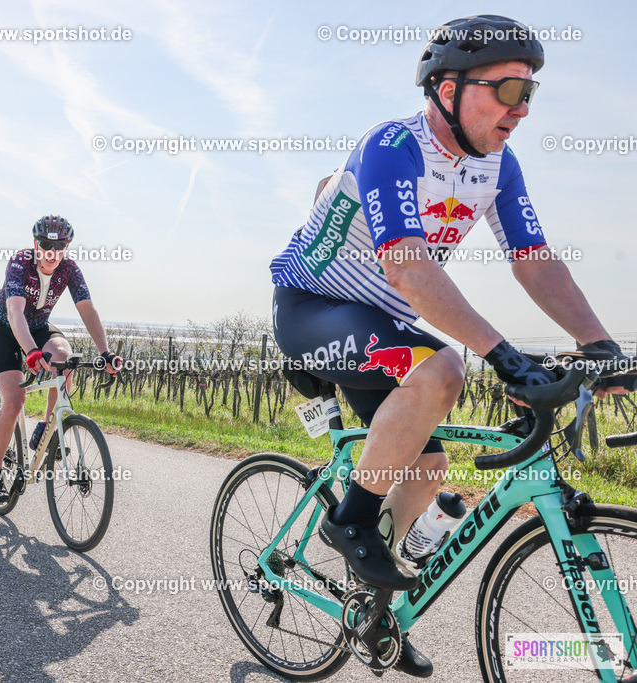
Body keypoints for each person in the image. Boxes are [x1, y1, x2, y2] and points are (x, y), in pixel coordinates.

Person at [269, 15, 635, 677]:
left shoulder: (498, 164)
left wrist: (602, 344)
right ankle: (348, 519)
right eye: (507, 90)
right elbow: (407, 266)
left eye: (531, 92)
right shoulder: (393, 146)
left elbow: (534, 261)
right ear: (444, 87)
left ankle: (372, 607)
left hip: (378, 329)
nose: (521, 109)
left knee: (429, 465)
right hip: (312, 309)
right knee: (445, 367)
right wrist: (505, 356)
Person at [0, 215, 121, 503]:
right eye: (46, 244)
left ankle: (45, 428)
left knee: (64, 358)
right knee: (14, 400)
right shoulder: (21, 262)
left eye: (59, 246)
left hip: (37, 325)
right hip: (4, 328)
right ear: (36, 243)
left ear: (66, 247)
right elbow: (15, 313)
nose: (51, 252)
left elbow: (87, 310)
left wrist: (106, 353)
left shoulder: (69, 269)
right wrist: (32, 352)